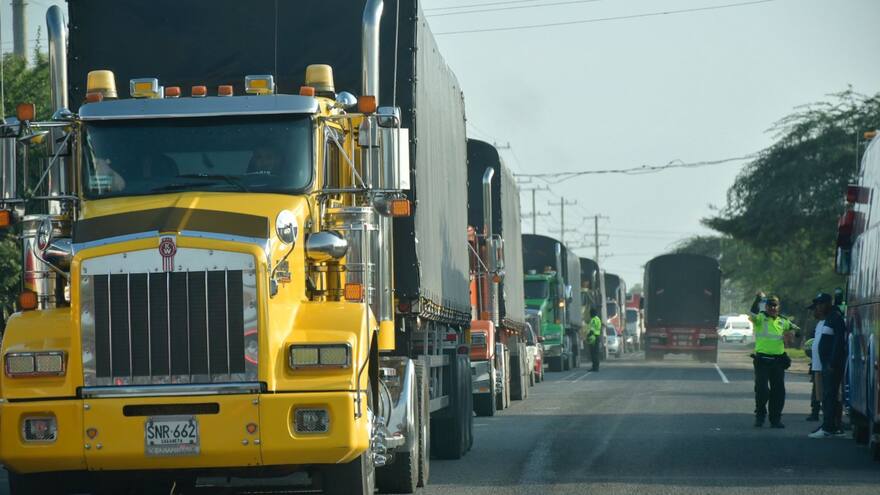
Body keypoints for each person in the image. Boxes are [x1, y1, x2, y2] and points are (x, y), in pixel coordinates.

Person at [749, 293, 798, 428]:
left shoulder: (783, 321)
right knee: (762, 390)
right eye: (770, 305)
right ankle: (760, 416)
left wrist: (793, 334)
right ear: (766, 306)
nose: (772, 308)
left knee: (778, 391)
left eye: (775, 305)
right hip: (762, 360)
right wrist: (757, 299)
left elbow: (796, 330)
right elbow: (752, 313)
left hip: (778, 361)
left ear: (778, 307)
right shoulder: (760, 318)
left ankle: (775, 419)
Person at [807, 292, 847, 438]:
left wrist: (832, 362)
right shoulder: (828, 319)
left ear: (827, 304)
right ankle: (829, 425)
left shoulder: (835, 318)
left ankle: (829, 427)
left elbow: (838, 342)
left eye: (820, 304)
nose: (818, 307)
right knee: (828, 395)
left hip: (831, 365)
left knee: (830, 395)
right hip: (824, 364)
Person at [588, 308, 602, 372]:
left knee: (593, 353)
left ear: (592, 313)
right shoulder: (598, 319)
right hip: (597, 336)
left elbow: (592, 329)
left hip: (593, 337)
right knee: (596, 353)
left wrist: (588, 335)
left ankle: (594, 367)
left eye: (590, 313)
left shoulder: (593, 320)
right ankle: (596, 367)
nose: (589, 315)